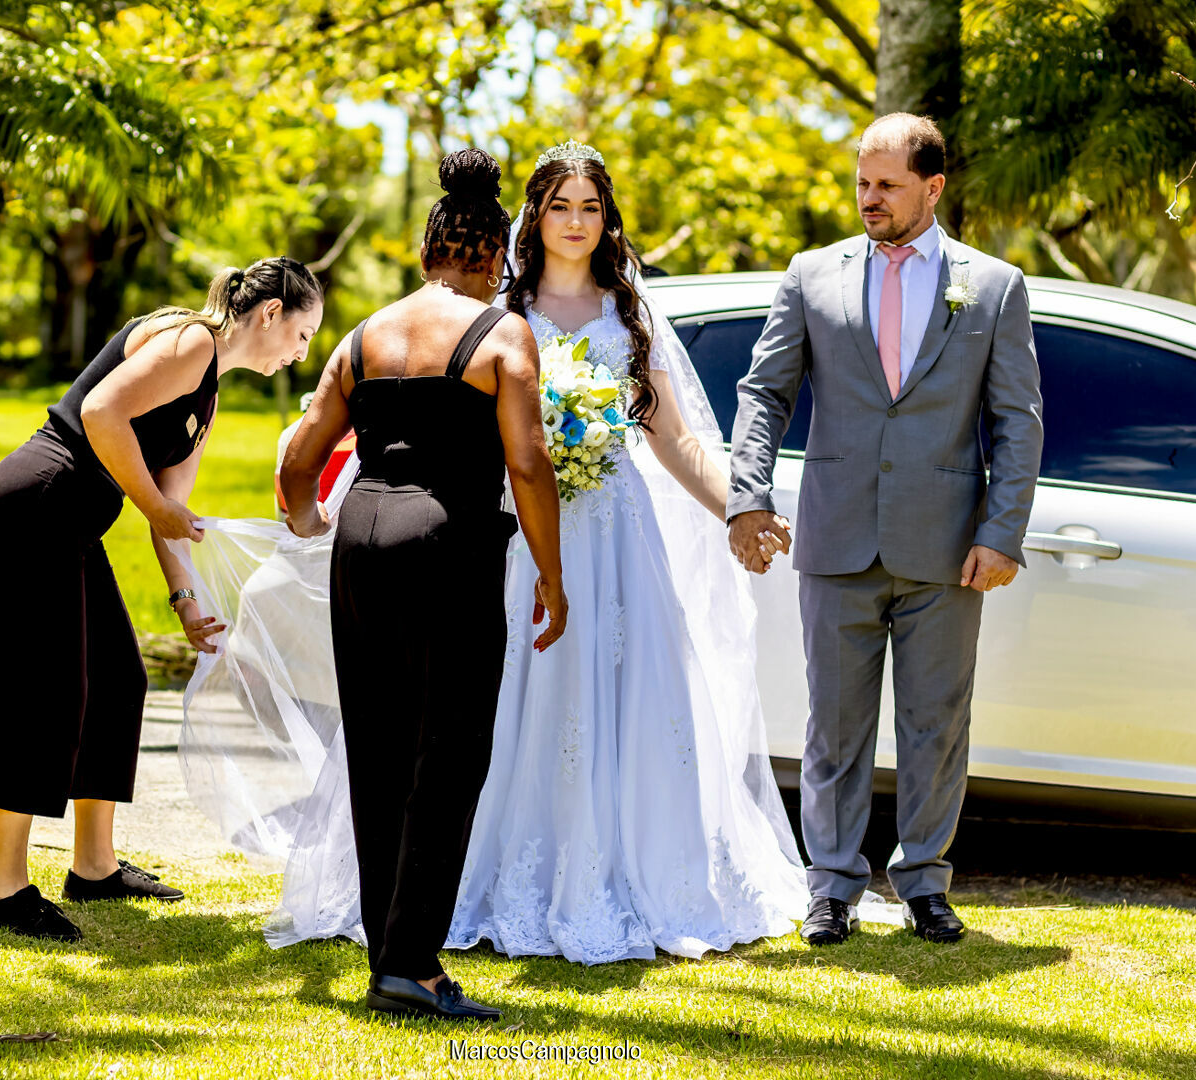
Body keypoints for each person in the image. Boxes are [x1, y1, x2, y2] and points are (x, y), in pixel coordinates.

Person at [442, 140, 827, 964]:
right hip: (524, 526)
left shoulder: (629, 316)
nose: (575, 223)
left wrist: (741, 508)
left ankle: (630, 870)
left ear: (607, 219)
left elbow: (677, 440)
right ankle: (504, 874)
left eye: (590, 207)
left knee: (625, 690)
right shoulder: (500, 311)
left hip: (618, 531)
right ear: (534, 217)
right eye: (559, 206)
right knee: (515, 690)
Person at [727, 113, 1043, 946]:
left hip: (946, 544)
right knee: (832, 724)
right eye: (861, 183)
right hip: (834, 536)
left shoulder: (994, 285)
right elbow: (764, 394)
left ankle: (924, 883)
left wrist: (1001, 531)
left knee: (936, 724)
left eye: (886, 185)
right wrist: (748, 494)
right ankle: (829, 884)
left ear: (931, 188)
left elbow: (1017, 420)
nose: (868, 199)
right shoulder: (809, 275)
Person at [0, 257, 324, 941]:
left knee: (120, 678)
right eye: (303, 336)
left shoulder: (206, 396)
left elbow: (172, 512)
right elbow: (100, 413)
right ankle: (1, 892)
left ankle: (93, 867)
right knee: (44, 688)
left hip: (69, 518)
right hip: (36, 502)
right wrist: (152, 505)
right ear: (271, 315)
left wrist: (185, 601)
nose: (302, 354)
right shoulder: (190, 341)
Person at [277, 147, 565, 1020]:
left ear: (429, 248)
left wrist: (304, 516)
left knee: (376, 745)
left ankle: (389, 950)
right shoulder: (502, 333)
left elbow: (301, 451)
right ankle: (410, 962)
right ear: (496, 255)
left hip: (361, 534)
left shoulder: (365, 335)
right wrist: (551, 575)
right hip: (448, 539)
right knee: (449, 750)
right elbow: (528, 461)